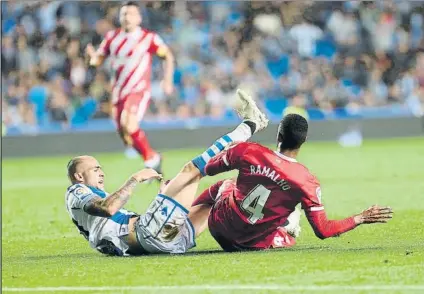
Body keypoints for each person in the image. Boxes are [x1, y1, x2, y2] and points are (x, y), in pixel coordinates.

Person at [65, 89, 269, 256]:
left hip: (165, 239)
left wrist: (165, 195)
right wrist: (134, 179)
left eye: (100, 167)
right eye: (94, 169)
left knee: (219, 198)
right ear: (79, 177)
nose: (101, 172)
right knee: (193, 169)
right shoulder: (76, 192)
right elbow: (108, 208)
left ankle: (277, 225)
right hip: (150, 233)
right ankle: (250, 124)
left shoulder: (92, 214)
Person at [191, 114, 393, 251]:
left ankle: (185, 218)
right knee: (290, 219)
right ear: (303, 141)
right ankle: (285, 228)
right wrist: (360, 218)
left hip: (219, 227)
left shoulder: (248, 151)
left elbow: (207, 168)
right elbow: (323, 230)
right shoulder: (306, 181)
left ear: (278, 134)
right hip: (251, 243)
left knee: (225, 184)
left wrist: (230, 150)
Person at [85, 1, 175, 173]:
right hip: (118, 92)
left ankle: (150, 159)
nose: (127, 17)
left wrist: (167, 80)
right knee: (125, 135)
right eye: (124, 14)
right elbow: (98, 59)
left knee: (129, 122)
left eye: (131, 14)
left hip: (138, 90)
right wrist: (92, 58)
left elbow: (167, 55)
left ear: (139, 18)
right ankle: (153, 158)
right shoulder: (112, 38)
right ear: (120, 17)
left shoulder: (148, 38)